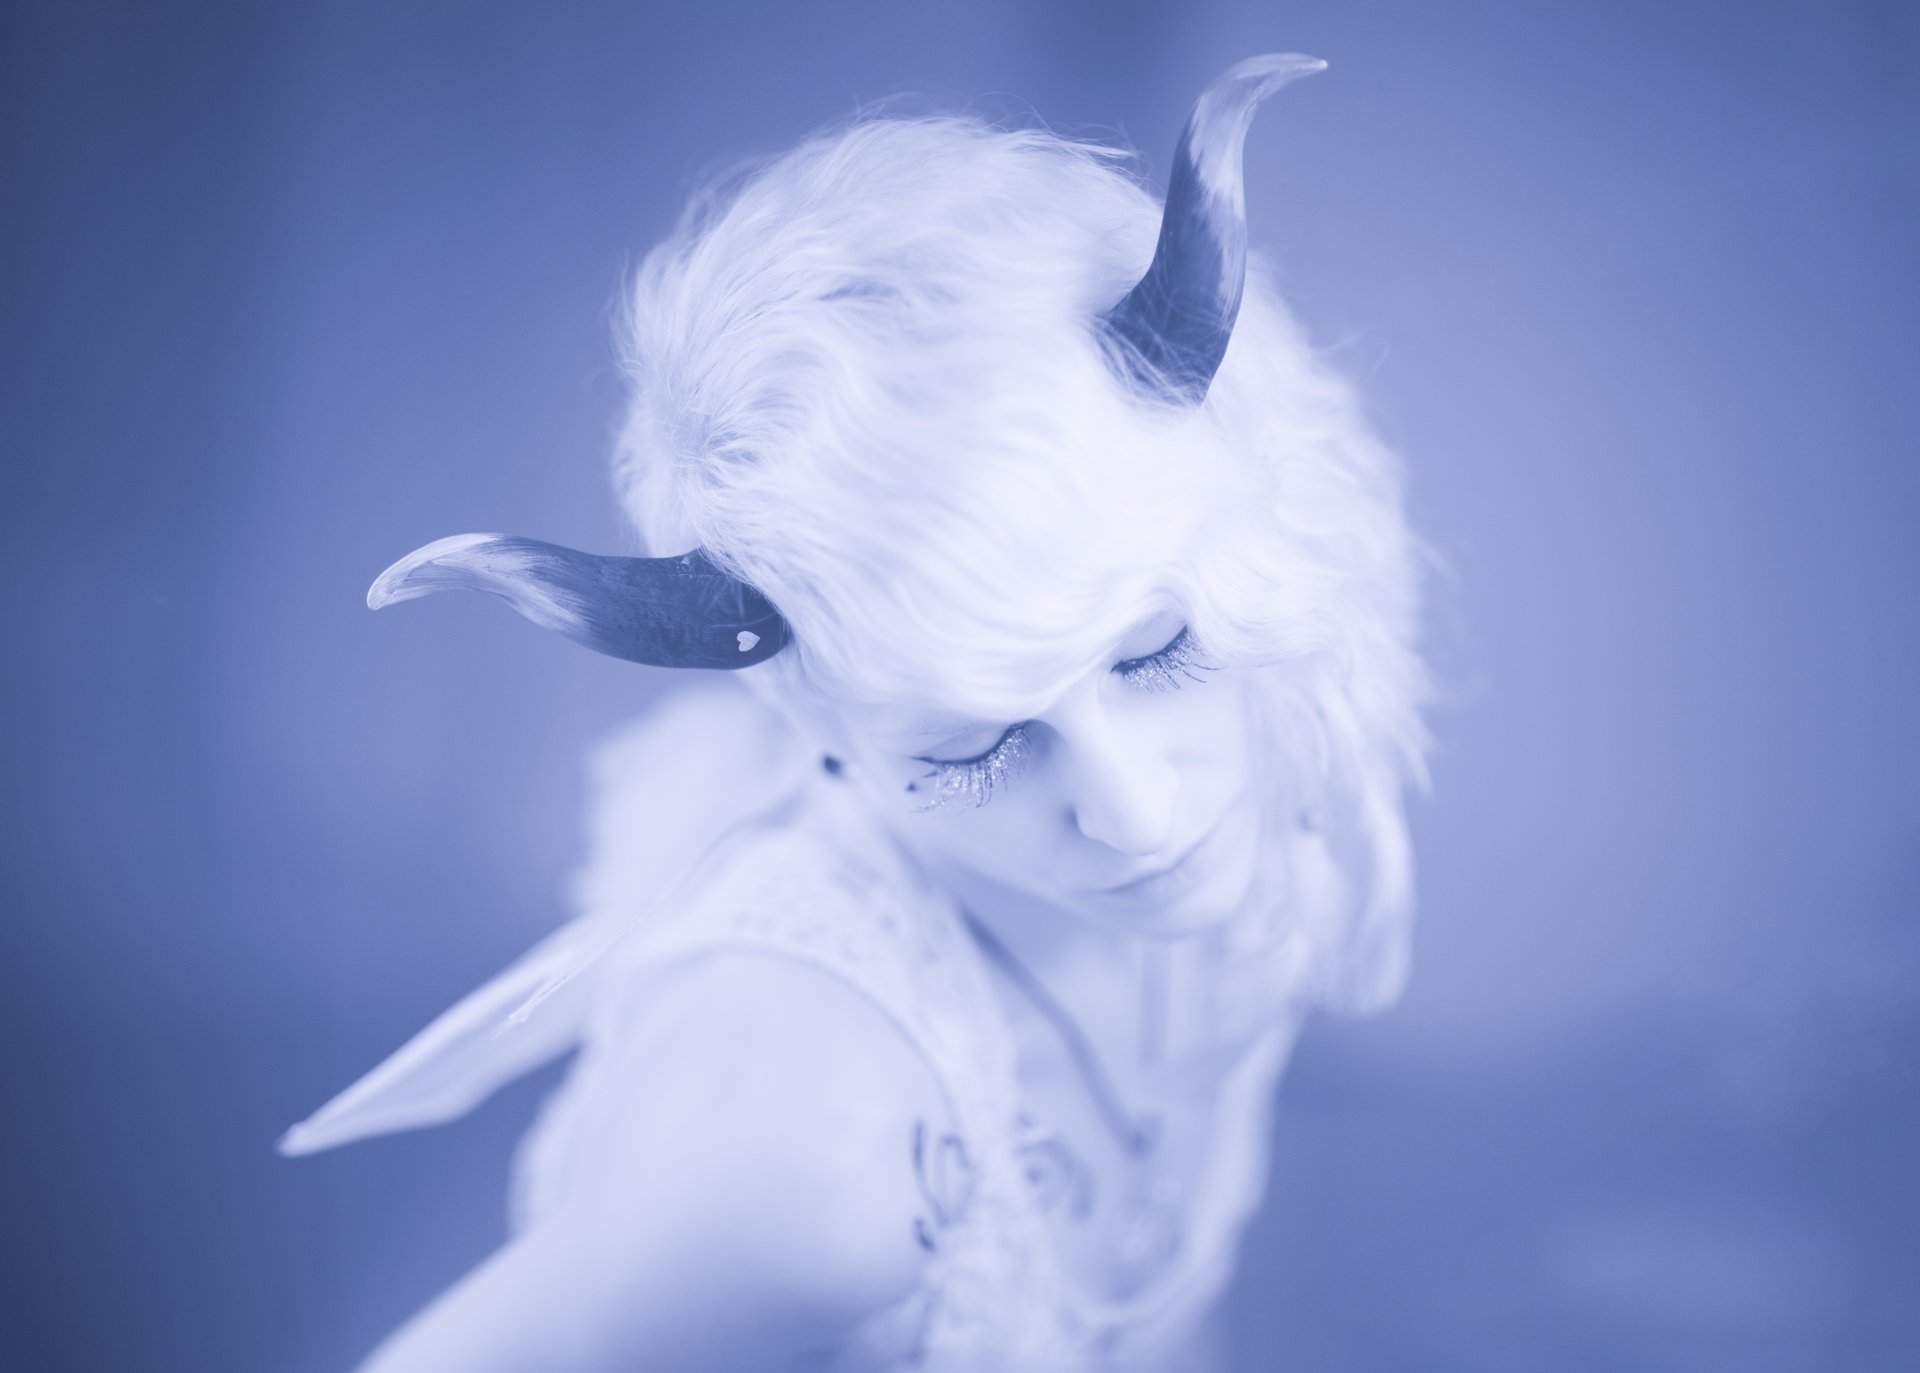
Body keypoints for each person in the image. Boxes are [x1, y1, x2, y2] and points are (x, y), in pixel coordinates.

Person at [281, 52, 1429, 1373]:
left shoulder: (1276, 764)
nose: (1138, 810)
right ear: (822, 733)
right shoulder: (809, 1164)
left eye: (1159, 652)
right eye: (975, 749)